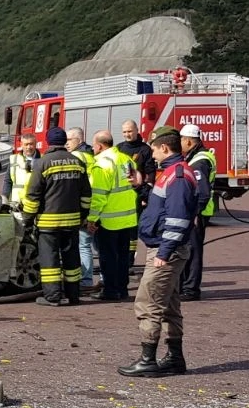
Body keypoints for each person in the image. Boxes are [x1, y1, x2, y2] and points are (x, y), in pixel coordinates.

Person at [119, 128, 199, 377]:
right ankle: (175, 358)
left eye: (153, 148)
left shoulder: (177, 176)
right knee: (168, 305)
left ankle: (148, 359)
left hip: (166, 251)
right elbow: (160, 207)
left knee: (148, 303)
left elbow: (177, 220)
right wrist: (140, 187)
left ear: (164, 148)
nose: (151, 153)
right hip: (167, 248)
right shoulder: (173, 174)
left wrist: (163, 253)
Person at [22, 127, 91, 306]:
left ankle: (52, 297)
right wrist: (83, 214)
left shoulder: (43, 163)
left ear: (48, 142)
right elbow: (86, 195)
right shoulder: (77, 162)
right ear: (64, 142)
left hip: (48, 223)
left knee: (50, 260)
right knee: (72, 260)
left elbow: (33, 196)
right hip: (73, 222)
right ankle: (74, 295)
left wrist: (27, 220)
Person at [85, 130, 139, 302]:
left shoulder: (102, 164)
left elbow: (99, 195)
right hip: (128, 217)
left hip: (109, 219)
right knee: (123, 256)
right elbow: (133, 184)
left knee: (108, 257)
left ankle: (110, 290)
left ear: (99, 146)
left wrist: (92, 218)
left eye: (94, 145)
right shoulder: (125, 159)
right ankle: (122, 289)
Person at [179, 123, 215, 301]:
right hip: (197, 212)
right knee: (191, 249)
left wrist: (194, 213)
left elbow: (202, 192)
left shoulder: (199, 161)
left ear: (187, 140)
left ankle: (191, 289)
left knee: (193, 251)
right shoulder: (198, 157)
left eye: (181, 140)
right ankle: (187, 285)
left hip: (197, 213)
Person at [117, 120, 157, 269]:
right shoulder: (119, 148)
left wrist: (146, 196)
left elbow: (150, 173)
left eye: (130, 131)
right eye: (125, 132)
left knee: (133, 229)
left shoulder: (144, 150)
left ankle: (129, 261)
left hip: (137, 195)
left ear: (136, 130)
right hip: (120, 196)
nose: (127, 134)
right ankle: (122, 257)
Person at [65, 127, 97, 291]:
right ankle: (101, 278)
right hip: (97, 205)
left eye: (70, 140)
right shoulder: (91, 155)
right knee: (97, 246)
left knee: (83, 245)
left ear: (79, 140)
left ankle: (85, 279)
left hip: (82, 206)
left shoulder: (75, 157)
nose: (67, 143)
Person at [8, 133, 39, 208]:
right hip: (17, 204)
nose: (29, 147)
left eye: (31, 144)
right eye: (26, 144)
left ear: (36, 144)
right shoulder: (14, 159)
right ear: (21, 145)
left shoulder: (43, 159)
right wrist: (4, 197)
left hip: (36, 203)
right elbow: (7, 180)